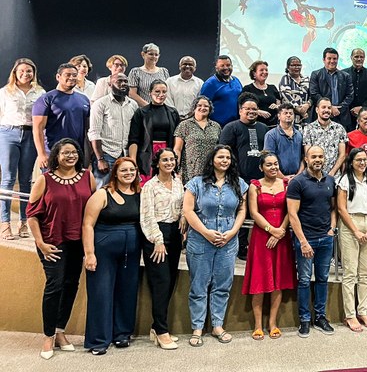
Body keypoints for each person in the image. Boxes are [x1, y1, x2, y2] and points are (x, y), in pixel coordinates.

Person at [26, 139, 95, 360]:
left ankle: (59, 331)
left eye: (74, 152)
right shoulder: (44, 180)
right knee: (54, 286)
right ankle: (47, 336)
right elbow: (32, 214)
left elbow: (92, 209)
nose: (71, 156)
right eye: (65, 153)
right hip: (51, 242)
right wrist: (40, 243)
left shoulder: (87, 177)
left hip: (77, 241)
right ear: (56, 155)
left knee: (71, 285)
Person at [183, 144, 249, 346]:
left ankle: (218, 325)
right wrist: (206, 232)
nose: (225, 161)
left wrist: (232, 233)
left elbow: (241, 211)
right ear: (212, 159)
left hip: (228, 240)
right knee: (199, 285)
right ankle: (197, 327)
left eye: (228, 158)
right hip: (200, 239)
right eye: (221, 157)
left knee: (222, 285)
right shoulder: (196, 183)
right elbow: (188, 211)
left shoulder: (239, 184)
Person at [82, 157, 142, 355]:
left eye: (131, 170)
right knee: (101, 293)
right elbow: (87, 224)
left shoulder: (140, 193)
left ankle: (122, 333)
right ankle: (98, 340)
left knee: (127, 292)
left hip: (131, 253)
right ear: (115, 172)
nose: (128, 173)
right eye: (123, 170)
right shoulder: (102, 194)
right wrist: (89, 254)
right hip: (103, 251)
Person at [242, 152, 296, 340]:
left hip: (282, 236)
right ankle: (258, 325)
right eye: (269, 165)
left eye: (275, 164)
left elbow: (291, 210)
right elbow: (254, 212)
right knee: (260, 280)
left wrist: (280, 230)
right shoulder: (254, 186)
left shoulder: (287, 184)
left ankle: (273, 323)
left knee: (278, 281)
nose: (273, 167)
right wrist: (270, 230)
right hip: (261, 237)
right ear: (261, 167)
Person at [286, 146, 337, 338]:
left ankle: (321, 317)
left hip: (325, 239)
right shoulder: (297, 182)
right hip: (305, 240)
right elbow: (292, 214)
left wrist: (332, 229)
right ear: (306, 159)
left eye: (321, 156)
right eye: (314, 156)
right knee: (305, 280)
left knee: (323, 279)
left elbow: (334, 208)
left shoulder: (330, 181)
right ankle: (305, 319)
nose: (318, 159)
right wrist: (303, 241)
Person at [140, 148, 184, 350]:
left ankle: (156, 326)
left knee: (171, 280)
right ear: (157, 163)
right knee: (161, 282)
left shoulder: (178, 182)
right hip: (156, 235)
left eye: (172, 159)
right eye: (164, 160)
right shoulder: (150, 186)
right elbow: (147, 215)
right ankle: (161, 331)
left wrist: (183, 222)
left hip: (175, 234)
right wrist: (157, 240)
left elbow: (183, 207)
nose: (169, 163)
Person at [336, 148, 367, 331]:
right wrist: (355, 231)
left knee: (365, 273)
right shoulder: (345, 180)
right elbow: (341, 208)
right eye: (358, 160)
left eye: (364, 160)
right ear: (351, 162)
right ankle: (350, 315)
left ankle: (362, 311)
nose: (362, 163)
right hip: (350, 223)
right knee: (350, 273)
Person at [0, 58, 44, 240]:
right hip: (8, 133)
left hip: (30, 135)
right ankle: (5, 224)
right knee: (8, 178)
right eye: (22, 71)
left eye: (29, 71)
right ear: (15, 72)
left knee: (26, 180)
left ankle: (24, 222)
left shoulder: (40, 92)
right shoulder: (5, 92)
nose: (25, 74)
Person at [32, 63, 91, 169]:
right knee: (52, 185)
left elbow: (87, 130)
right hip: (53, 153)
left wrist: (88, 155)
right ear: (58, 77)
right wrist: (42, 154)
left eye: (74, 75)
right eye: (67, 75)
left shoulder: (84, 99)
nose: (72, 78)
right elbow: (38, 129)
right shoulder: (46, 99)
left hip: (77, 154)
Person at [88, 73, 138, 188]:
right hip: (107, 154)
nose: (123, 84)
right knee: (102, 189)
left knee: (123, 190)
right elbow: (94, 133)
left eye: (126, 81)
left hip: (125, 154)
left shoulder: (133, 105)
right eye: (119, 81)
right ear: (110, 84)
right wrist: (100, 159)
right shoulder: (100, 104)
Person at [127, 80, 180, 183]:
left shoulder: (173, 112)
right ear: (150, 92)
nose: (161, 95)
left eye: (164, 92)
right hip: (147, 155)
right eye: (157, 91)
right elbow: (134, 140)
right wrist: (133, 163)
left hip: (167, 153)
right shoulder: (141, 112)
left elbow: (177, 140)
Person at [220, 93, 269, 182]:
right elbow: (223, 153)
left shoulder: (264, 128)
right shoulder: (230, 128)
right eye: (247, 109)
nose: (251, 111)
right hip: (238, 179)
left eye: (254, 109)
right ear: (240, 111)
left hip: (262, 179)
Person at [173, 95, 221, 183]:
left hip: (211, 170)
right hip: (190, 171)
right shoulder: (184, 125)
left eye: (206, 106)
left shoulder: (216, 126)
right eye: (199, 105)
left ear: (210, 109)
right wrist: (176, 168)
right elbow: (177, 149)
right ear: (194, 108)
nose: (203, 108)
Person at [308, 47, 354, 129]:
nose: (332, 61)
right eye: (329, 58)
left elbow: (350, 95)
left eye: (335, 59)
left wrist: (338, 109)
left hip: (341, 116)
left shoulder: (346, 76)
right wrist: (329, 107)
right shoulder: (316, 74)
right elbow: (314, 93)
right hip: (321, 116)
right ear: (323, 59)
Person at [302, 97, 347, 177]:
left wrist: (332, 173)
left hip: (335, 177)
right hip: (314, 177)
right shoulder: (308, 129)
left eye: (329, 108)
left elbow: (342, 154)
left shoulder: (339, 128)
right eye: (323, 107)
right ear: (317, 110)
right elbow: (308, 155)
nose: (326, 110)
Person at [200, 55, 243, 127]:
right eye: (222, 65)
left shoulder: (236, 80)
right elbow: (202, 106)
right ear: (216, 68)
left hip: (236, 124)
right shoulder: (210, 84)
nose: (226, 68)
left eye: (228, 65)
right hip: (217, 126)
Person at [263, 103, 304, 177]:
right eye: (285, 113)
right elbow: (268, 159)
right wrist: (283, 178)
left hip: (297, 178)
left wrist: (298, 176)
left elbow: (303, 158)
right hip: (277, 179)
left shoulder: (299, 135)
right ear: (279, 116)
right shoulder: (271, 135)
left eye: (291, 113)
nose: (288, 115)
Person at [344, 48, 367, 131]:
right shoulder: (343, 74)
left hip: (366, 115)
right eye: (356, 56)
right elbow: (341, 94)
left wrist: (362, 108)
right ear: (351, 57)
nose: (359, 59)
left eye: (361, 57)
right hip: (347, 113)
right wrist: (351, 108)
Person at [242, 60, 281, 128]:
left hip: (274, 127)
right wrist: (258, 111)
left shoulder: (273, 87)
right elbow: (243, 108)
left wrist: (277, 107)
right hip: (255, 126)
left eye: (266, 70)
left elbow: (280, 104)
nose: (265, 72)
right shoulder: (248, 89)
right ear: (254, 73)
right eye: (261, 70)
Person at [278, 56, 311, 127]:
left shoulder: (306, 79)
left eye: (298, 65)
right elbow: (286, 95)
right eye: (293, 65)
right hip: (290, 117)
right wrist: (299, 109)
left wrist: (307, 105)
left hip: (307, 116)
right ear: (288, 67)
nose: (296, 67)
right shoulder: (285, 79)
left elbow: (312, 94)